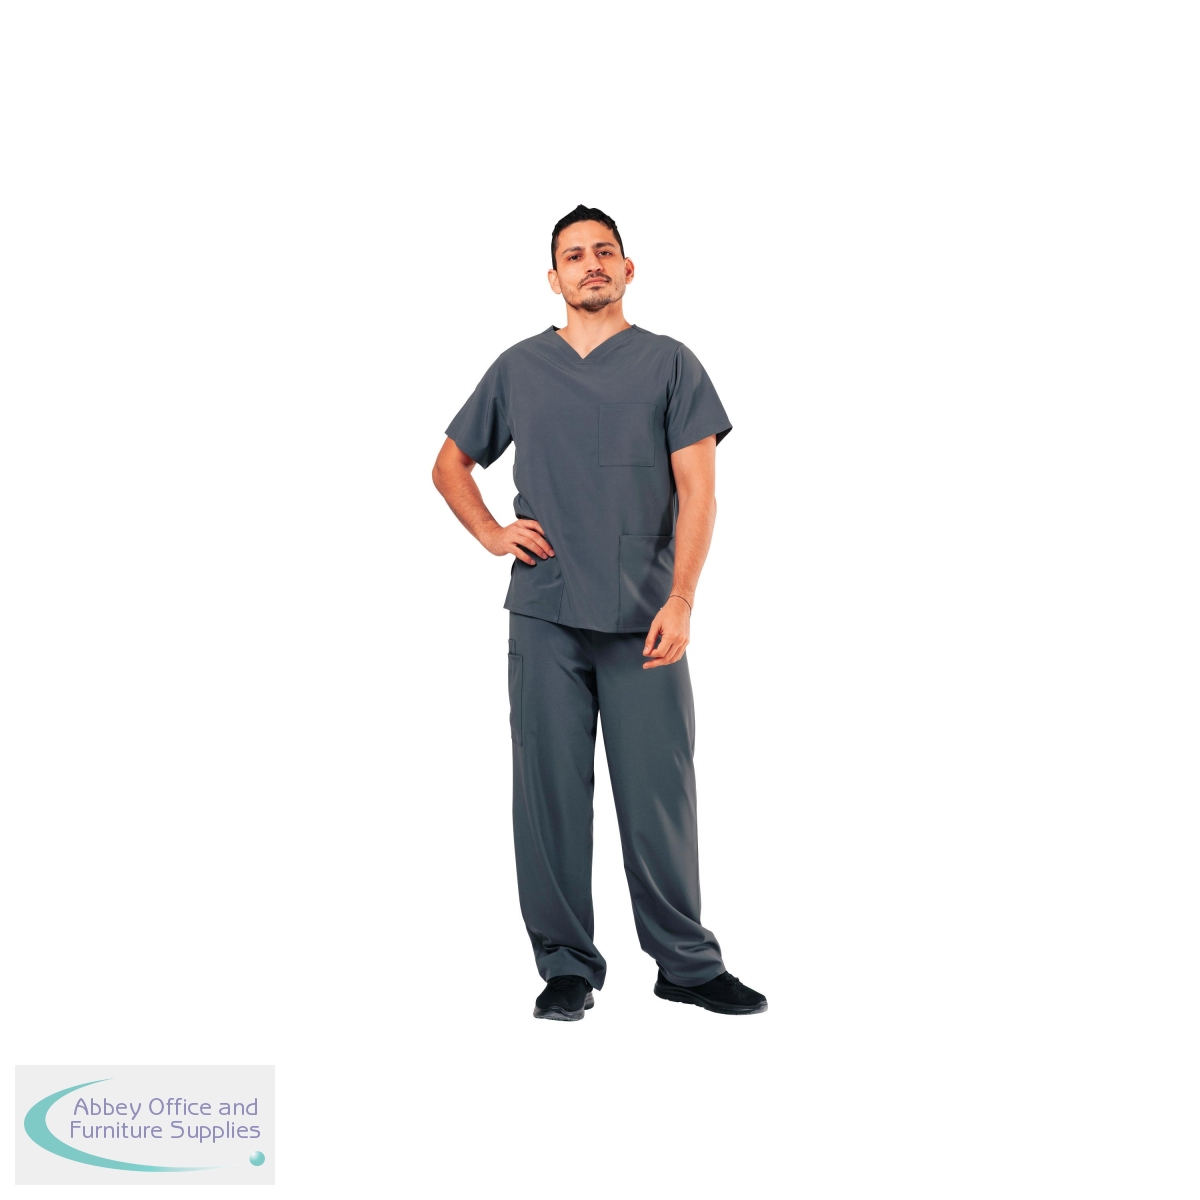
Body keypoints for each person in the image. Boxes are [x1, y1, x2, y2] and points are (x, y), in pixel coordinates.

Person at [432, 205, 766, 1021]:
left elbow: (699, 494)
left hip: (646, 612)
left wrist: (682, 597)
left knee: (659, 795)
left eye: (604, 251)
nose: (591, 263)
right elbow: (449, 464)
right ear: (553, 278)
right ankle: (566, 967)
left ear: (627, 268)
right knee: (547, 794)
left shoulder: (671, 364)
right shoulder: (518, 368)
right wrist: (492, 533)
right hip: (545, 609)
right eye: (574, 255)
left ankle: (685, 963)